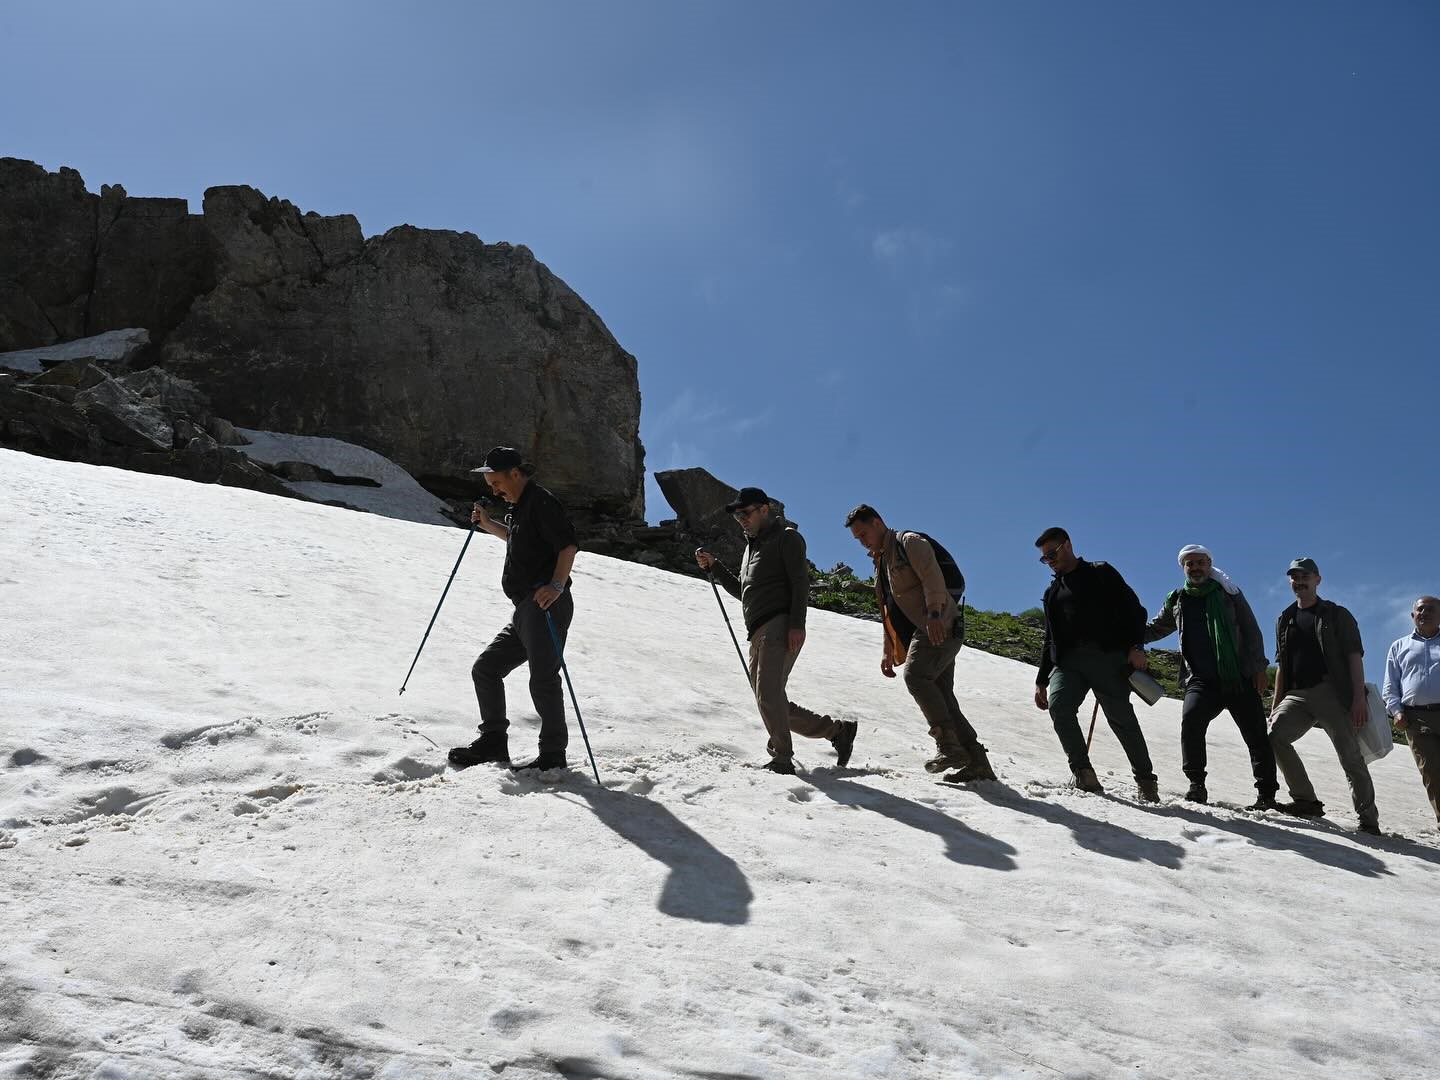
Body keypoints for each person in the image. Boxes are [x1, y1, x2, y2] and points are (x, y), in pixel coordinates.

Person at [695, 487, 854, 774]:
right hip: (756, 630)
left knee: (768, 695)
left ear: (764, 509)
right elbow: (745, 592)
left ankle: (782, 758)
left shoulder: (787, 538)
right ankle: (836, 731)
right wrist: (716, 568)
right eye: (737, 516)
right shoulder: (750, 549)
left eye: (745, 513)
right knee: (769, 699)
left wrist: (797, 624)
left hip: (779, 624)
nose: (741, 519)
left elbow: (799, 583)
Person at [447, 446, 579, 773]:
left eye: (497, 482)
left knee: (543, 679)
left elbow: (568, 545)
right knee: (486, 669)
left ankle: (552, 756)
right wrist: (488, 523)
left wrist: (557, 586)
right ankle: (493, 743)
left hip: (544, 603)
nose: (493, 489)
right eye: (490, 485)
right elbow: (516, 539)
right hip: (524, 609)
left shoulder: (541, 501)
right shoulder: (520, 507)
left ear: (516, 474)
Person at [845, 504, 996, 781]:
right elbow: (887, 608)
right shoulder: (881, 562)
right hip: (926, 628)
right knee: (943, 697)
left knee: (915, 676)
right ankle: (978, 763)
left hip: (940, 625)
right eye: (858, 538)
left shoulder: (909, 543)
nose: (862, 541)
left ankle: (948, 746)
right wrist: (888, 648)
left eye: (864, 534)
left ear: (878, 523)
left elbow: (932, 579)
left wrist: (935, 614)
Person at [1144, 545, 1278, 808]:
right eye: (1190, 564)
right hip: (1200, 679)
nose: (1195, 568)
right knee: (1191, 721)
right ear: (1183, 568)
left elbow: (1251, 630)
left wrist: (1260, 668)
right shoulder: (1178, 599)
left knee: (1256, 735)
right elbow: (1157, 627)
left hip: (1239, 676)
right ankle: (1197, 785)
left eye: (1200, 563)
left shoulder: (1228, 594)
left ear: (1209, 564)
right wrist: (1124, 636)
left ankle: (1266, 795)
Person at [1032, 527, 1159, 800]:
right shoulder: (1052, 592)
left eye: (1052, 554)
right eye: (1045, 558)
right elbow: (1050, 637)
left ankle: (1146, 781)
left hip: (1108, 658)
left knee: (1121, 719)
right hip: (1068, 663)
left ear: (1067, 545)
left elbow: (1135, 611)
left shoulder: (1101, 572)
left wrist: (1136, 647)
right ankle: (1083, 773)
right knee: (1060, 707)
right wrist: (1042, 679)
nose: (1050, 561)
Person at [1268, 558, 1379, 834]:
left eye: (1305, 575)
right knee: (1273, 738)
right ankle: (1305, 800)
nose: (1299, 580)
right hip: (1297, 694)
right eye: (1294, 576)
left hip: (1331, 691)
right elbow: (1282, 664)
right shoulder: (1284, 618)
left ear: (1318, 579)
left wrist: (1357, 699)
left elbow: (1354, 657)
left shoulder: (1336, 614)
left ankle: (1368, 820)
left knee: (1350, 757)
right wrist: (1276, 703)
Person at [1382, 596, 1440, 827]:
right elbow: (1391, 685)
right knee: (1432, 771)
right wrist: (1396, 711)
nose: (1424, 613)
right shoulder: (1399, 646)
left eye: (1431, 609)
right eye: (1420, 609)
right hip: (1415, 717)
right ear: (1412, 615)